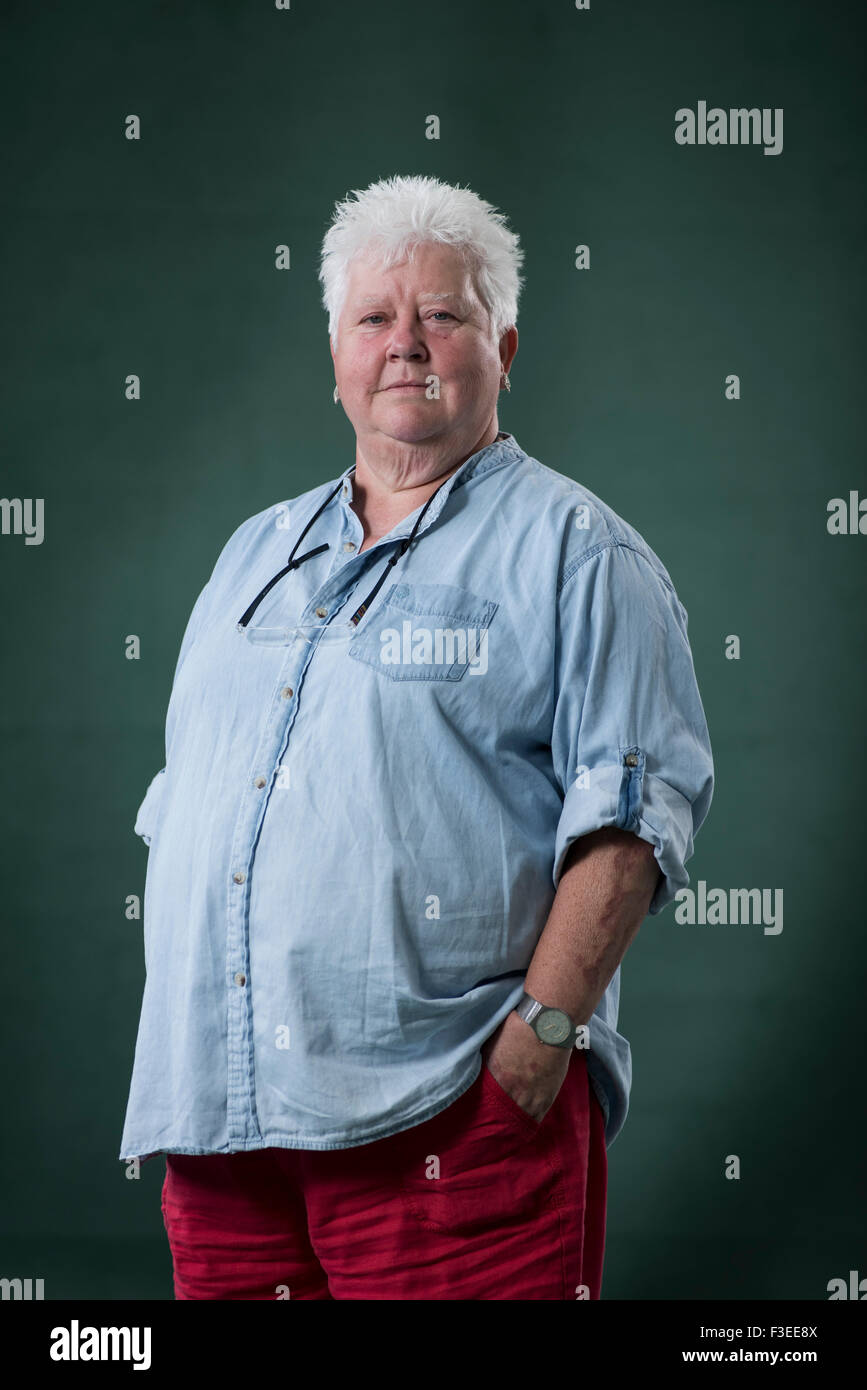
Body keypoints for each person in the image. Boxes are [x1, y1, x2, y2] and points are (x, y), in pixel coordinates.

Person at [119, 173, 714, 1301]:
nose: (406, 343)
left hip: (447, 1123)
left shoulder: (580, 553)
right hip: (223, 1128)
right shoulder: (251, 557)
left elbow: (633, 823)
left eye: (442, 314)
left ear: (505, 344)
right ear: (335, 351)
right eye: (374, 319)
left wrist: (537, 1042)